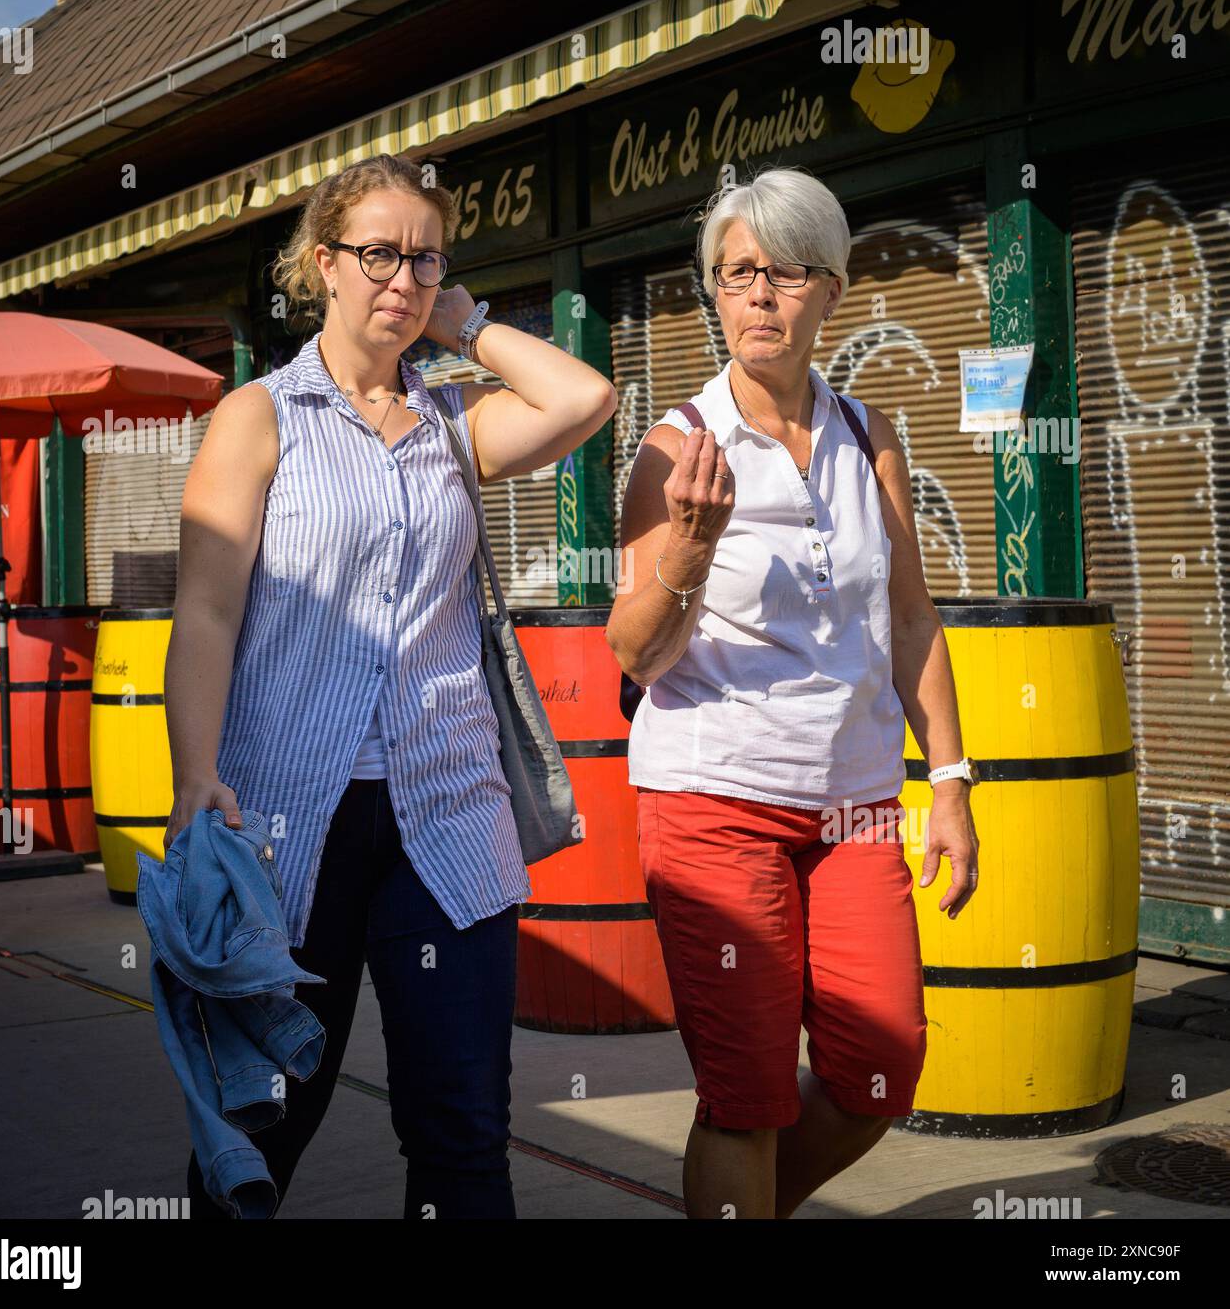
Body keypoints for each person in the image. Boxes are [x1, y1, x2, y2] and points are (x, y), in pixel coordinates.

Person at [161, 151, 616, 1219]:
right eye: (377, 254)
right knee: (263, 1119)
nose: (401, 280)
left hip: (447, 815)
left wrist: (468, 326)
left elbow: (583, 396)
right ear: (324, 263)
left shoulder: (454, 426)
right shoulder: (258, 417)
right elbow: (208, 613)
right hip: (284, 822)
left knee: (461, 1131)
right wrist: (192, 779)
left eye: (424, 259)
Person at [606, 164, 981, 1220]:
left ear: (831, 290)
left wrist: (947, 780)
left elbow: (910, 620)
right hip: (716, 803)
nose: (758, 296)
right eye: (734, 275)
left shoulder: (873, 435)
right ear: (712, 294)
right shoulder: (676, 447)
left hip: (856, 805)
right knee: (747, 1096)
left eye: (783, 272)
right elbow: (632, 652)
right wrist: (689, 541)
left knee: (879, 1069)